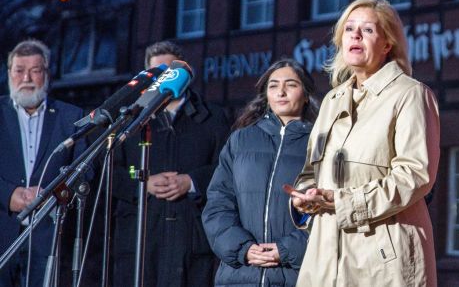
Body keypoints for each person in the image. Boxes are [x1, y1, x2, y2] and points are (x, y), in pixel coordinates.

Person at [289, 0, 440, 287]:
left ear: (388, 44)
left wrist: (345, 202)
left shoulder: (410, 95)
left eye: (368, 30)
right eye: (349, 29)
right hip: (324, 257)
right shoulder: (332, 100)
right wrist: (307, 196)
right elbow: (312, 170)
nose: (355, 35)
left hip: (383, 257)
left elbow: (415, 175)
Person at [112, 41, 231, 287]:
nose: (165, 77)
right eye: (157, 72)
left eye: (171, 71)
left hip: (193, 239)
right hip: (140, 240)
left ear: (185, 74)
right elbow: (109, 174)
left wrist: (191, 182)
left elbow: (227, 171)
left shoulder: (214, 118)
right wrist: (142, 184)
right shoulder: (128, 120)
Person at [203, 59, 317, 287]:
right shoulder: (240, 140)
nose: (281, 92)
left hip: (298, 275)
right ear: (266, 94)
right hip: (240, 275)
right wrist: (242, 248)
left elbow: (328, 213)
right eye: (273, 85)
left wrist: (287, 250)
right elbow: (218, 203)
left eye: (291, 85)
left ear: (306, 95)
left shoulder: (322, 144)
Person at [0, 39, 83, 287]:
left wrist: (55, 193)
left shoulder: (71, 117)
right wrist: (8, 194)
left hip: (50, 240)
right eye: (19, 70)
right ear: (9, 73)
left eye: (35, 70)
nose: (26, 78)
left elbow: (85, 171)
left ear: (46, 74)